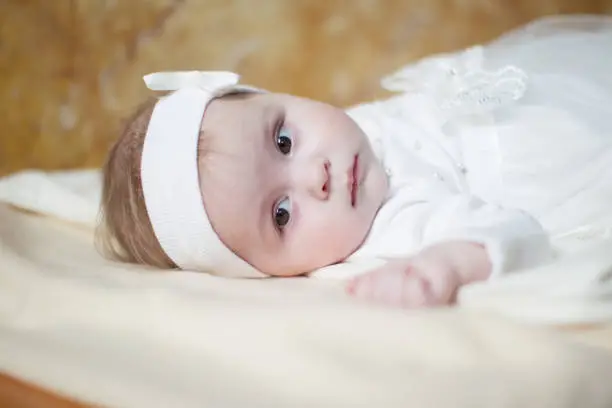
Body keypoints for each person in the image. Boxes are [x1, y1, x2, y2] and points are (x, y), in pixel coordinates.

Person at [97, 14, 612, 308]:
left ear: (278, 96)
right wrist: (446, 265)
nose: (314, 176)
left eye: (282, 141)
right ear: (274, 273)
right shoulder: (389, 225)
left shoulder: (350, 132)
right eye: (281, 214)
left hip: (539, 91)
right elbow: (508, 233)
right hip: (569, 158)